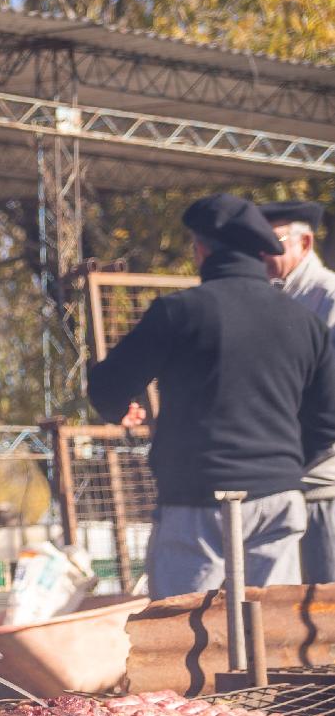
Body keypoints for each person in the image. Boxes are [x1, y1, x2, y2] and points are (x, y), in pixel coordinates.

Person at [88, 194, 335, 600]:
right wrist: (279, 462)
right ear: (261, 252)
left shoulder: (178, 312)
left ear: (201, 250)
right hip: (278, 500)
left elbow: (107, 384)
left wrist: (120, 409)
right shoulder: (305, 323)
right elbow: (326, 420)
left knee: (186, 636)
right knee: (270, 634)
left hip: (195, 499)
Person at [262, 200, 335, 583]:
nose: (261, 253)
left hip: (324, 481)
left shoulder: (328, 297)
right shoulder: (276, 297)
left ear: (304, 242)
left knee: (326, 606)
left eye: (270, 242)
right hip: (288, 480)